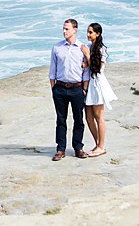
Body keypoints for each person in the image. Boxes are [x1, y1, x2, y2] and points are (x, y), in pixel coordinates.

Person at [49, 19, 89, 160]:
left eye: (67, 29)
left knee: (79, 119)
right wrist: (53, 87)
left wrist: (84, 89)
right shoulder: (57, 47)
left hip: (77, 88)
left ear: (75, 29)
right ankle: (60, 149)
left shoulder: (82, 48)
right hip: (60, 88)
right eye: (63, 28)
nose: (64, 31)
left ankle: (78, 147)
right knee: (61, 119)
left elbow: (86, 71)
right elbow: (52, 69)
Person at [81, 22, 117, 157]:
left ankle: (101, 146)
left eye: (91, 32)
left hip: (97, 83)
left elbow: (97, 69)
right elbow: (88, 66)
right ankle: (98, 144)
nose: (88, 34)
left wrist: (87, 56)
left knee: (98, 116)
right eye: (87, 32)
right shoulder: (90, 46)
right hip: (89, 83)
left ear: (98, 34)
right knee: (88, 116)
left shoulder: (101, 49)